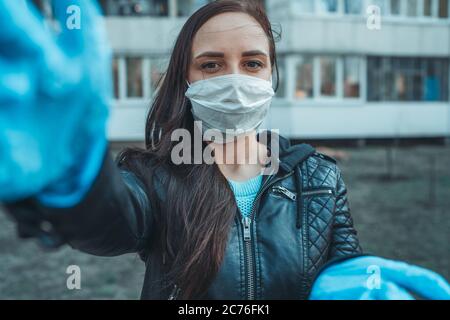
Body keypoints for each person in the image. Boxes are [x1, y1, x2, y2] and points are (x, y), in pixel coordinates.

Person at [0, 0, 448, 300]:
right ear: (188, 81)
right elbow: (108, 223)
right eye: (211, 64)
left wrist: (351, 280)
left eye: (252, 63)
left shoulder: (318, 177)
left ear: (271, 78)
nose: (235, 80)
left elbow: (344, 256)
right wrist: (74, 175)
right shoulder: (157, 176)